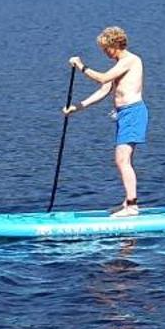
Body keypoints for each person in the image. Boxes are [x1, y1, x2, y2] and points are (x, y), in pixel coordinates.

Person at [63, 26, 147, 217]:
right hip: (123, 115)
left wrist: (81, 66)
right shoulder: (119, 65)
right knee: (122, 159)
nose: (105, 53)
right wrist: (77, 107)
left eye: (106, 49)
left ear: (116, 45)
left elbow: (102, 77)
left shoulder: (131, 61)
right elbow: (103, 89)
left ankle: (132, 206)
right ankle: (128, 201)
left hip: (133, 113)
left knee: (122, 159)